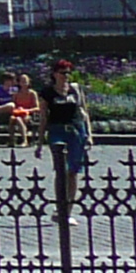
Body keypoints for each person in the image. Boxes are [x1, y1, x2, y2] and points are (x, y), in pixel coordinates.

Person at [41, 57, 94, 201]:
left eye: (68, 73)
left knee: (73, 171)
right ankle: (60, 205)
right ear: (55, 74)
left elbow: (84, 112)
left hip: (76, 130)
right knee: (61, 170)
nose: (66, 76)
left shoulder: (75, 89)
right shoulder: (47, 92)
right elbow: (44, 117)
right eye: (63, 73)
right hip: (57, 130)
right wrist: (40, 142)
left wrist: (89, 135)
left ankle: (68, 209)